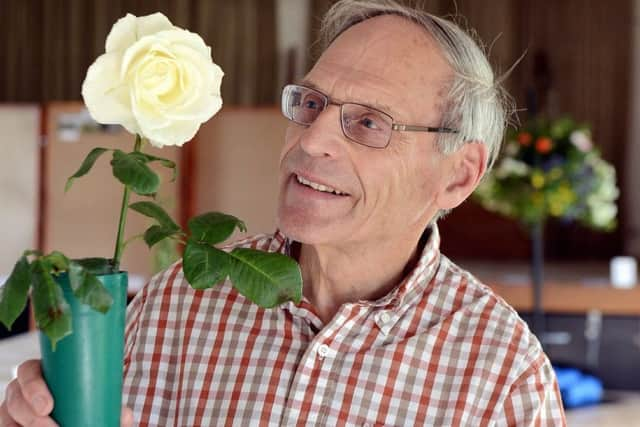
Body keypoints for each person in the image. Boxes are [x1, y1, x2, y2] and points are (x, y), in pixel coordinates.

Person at [1, 1, 566, 425]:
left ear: (459, 175)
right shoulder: (179, 301)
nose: (312, 139)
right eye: (313, 104)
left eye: (369, 122)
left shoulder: (501, 376)